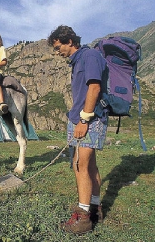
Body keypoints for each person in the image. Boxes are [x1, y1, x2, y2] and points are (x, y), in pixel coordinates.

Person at [47, 25, 108, 234]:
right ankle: (95, 209)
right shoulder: (77, 61)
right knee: (89, 166)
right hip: (79, 118)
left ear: (69, 41)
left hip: (88, 120)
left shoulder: (90, 56)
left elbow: (94, 87)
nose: (58, 52)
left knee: (80, 166)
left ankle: (83, 218)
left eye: (58, 47)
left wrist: (84, 120)